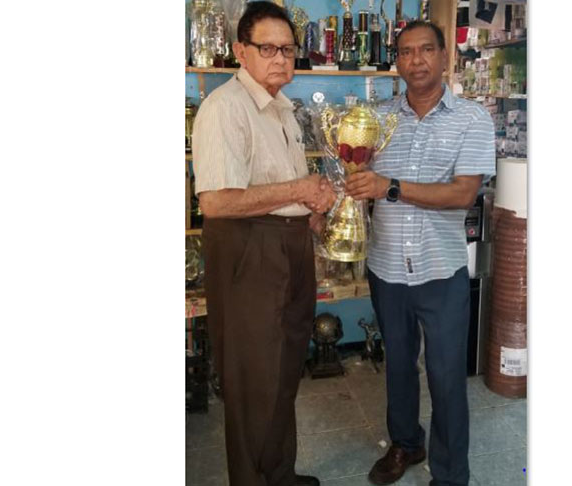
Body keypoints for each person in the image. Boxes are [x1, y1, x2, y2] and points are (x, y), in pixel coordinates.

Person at [345, 20, 496, 486]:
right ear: (398, 61)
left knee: (447, 376)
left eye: (426, 50)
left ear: (444, 56)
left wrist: (389, 187)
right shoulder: (380, 119)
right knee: (398, 366)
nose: (416, 60)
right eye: (406, 52)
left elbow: (461, 194)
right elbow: (356, 178)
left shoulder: (472, 119)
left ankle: (451, 475)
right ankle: (407, 443)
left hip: (440, 269)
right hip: (387, 267)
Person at [191, 2, 334, 485]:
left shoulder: (283, 109)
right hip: (249, 249)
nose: (280, 59)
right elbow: (215, 202)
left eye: (288, 49)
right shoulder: (223, 108)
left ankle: (279, 473)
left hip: (288, 245)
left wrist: (308, 210)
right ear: (240, 52)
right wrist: (298, 191)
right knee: (254, 381)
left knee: (284, 371)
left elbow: (278, 185)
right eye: (267, 48)